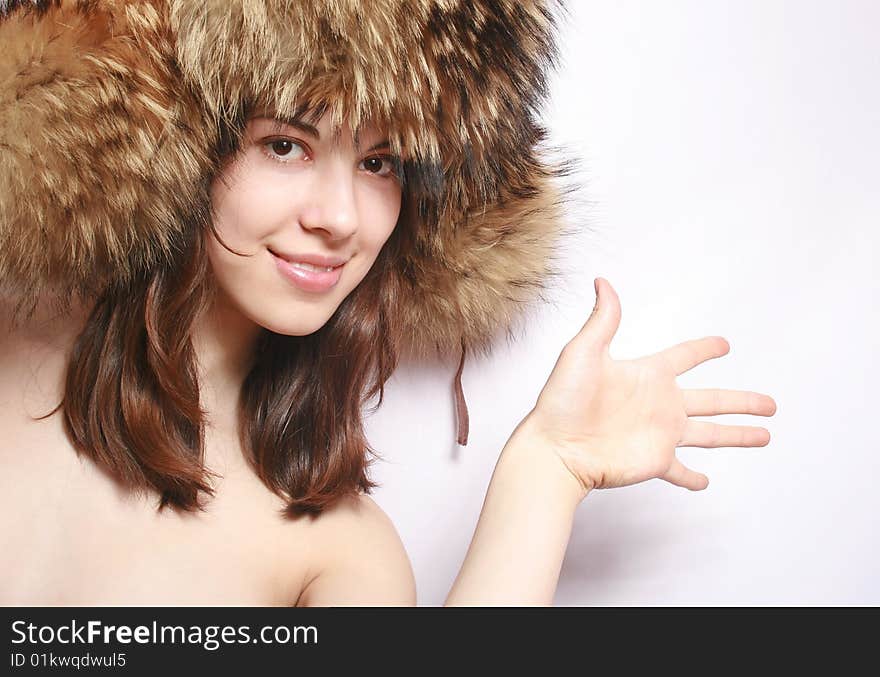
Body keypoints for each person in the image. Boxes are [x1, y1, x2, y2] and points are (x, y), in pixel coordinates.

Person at [0, 0, 776, 606]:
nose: (341, 217)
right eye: (285, 144)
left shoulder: (331, 545)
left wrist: (551, 467)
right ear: (181, 140)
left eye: (380, 162)